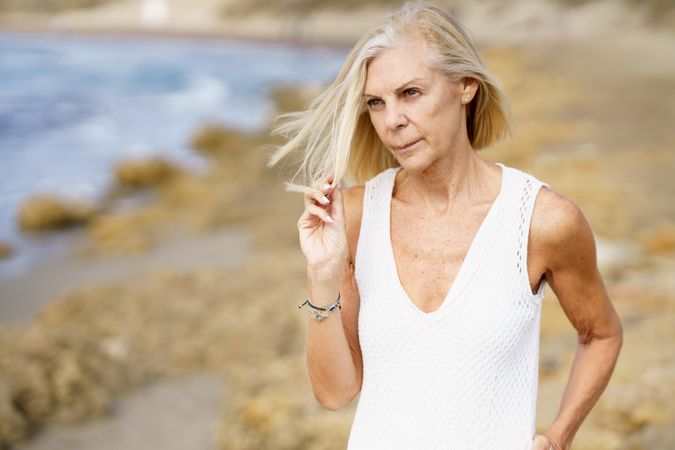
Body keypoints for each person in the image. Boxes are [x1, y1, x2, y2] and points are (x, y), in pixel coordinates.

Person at [267, 3, 623, 449]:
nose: (392, 120)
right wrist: (322, 274)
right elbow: (335, 392)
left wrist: (559, 434)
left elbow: (601, 334)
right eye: (376, 102)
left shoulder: (541, 221)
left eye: (411, 92)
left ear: (465, 86)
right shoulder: (356, 217)